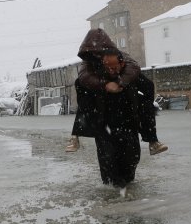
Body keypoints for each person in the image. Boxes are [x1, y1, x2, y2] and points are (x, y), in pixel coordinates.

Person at [65, 29, 167, 186]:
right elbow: (83, 77)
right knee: (109, 169)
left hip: (128, 122)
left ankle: (152, 140)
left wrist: (121, 82)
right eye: (96, 56)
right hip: (103, 124)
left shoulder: (125, 63)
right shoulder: (89, 68)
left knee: (130, 163)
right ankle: (75, 136)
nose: (110, 69)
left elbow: (138, 73)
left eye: (114, 66)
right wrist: (105, 85)